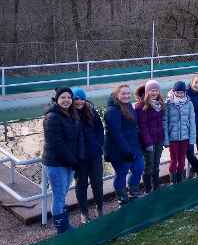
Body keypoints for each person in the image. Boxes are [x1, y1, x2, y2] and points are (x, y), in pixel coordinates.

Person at [42, 87, 81, 234]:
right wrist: (73, 161)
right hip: (56, 163)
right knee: (59, 195)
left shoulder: (71, 114)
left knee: (63, 193)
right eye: (63, 97)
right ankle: (62, 228)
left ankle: (64, 225)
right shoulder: (52, 117)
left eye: (69, 98)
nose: (66, 100)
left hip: (68, 162)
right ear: (57, 100)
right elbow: (56, 143)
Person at [103, 84, 144, 205]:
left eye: (128, 93)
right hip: (119, 150)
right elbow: (117, 134)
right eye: (123, 94)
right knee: (122, 173)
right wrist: (126, 151)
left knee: (139, 168)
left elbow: (133, 128)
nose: (126, 96)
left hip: (133, 146)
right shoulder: (112, 111)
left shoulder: (128, 106)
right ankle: (122, 197)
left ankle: (133, 191)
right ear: (117, 95)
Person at [71, 87, 104, 224]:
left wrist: (98, 145)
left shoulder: (91, 112)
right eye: (77, 99)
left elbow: (100, 130)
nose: (79, 101)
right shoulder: (68, 115)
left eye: (82, 99)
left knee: (97, 183)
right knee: (81, 185)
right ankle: (84, 212)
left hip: (94, 155)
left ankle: (100, 208)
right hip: (79, 158)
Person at [163, 81, 197, 184]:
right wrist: (166, 140)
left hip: (185, 138)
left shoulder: (189, 103)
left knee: (182, 160)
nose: (179, 94)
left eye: (182, 92)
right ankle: (173, 180)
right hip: (173, 138)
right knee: (174, 160)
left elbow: (192, 122)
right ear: (173, 92)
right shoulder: (168, 104)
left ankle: (180, 179)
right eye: (177, 92)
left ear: (185, 92)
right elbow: (165, 122)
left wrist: (192, 139)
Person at [135, 80, 165, 193]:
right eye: (152, 90)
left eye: (156, 90)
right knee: (149, 165)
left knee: (156, 163)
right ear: (147, 91)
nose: (154, 93)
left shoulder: (160, 104)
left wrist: (163, 138)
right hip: (149, 142)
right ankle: (148, 189)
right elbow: (142, 127)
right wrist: (148, 143)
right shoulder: (141, 106)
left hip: (159, 139)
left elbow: (161, 122)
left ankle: (156, 187)